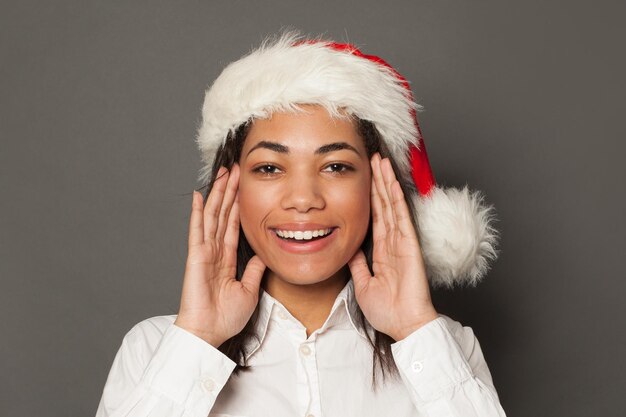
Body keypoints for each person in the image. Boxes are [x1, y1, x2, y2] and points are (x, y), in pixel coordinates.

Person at [96, 31, 505, 417]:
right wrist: (198, 339)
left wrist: (415, 327)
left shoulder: (446, 347)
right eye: (271, 167)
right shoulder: (154, 349)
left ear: (380, 186)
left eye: (336, 166)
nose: (304, 199)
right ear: (232, 186)